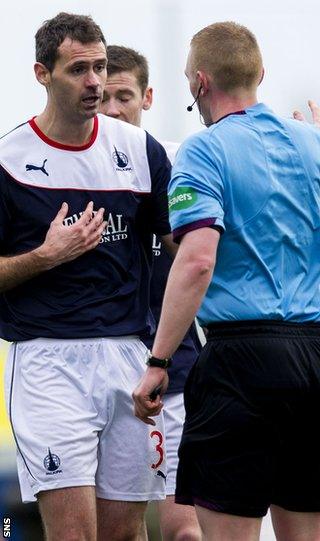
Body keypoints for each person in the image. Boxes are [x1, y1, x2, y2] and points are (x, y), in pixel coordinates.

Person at [133, 21, 320, 541]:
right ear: (260, 73)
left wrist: (159, 361)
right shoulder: (314, 143)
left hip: (242, 361)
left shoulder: (203, 149)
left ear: (198, 83)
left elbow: (196, 261)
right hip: (315, 354)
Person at [0, 12, 175, 541]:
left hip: (128, 356)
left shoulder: (140, 152)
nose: (95, 82)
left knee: (124, 534)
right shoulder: (9, 160)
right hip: (47, 362)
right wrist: (45, 255)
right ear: (41, 74)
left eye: (100, 67)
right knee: (73, 534)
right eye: (79, 69)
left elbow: (187, 247)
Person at [101, 45, 202, 541]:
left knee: (184, 532)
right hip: (108, 373)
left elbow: (205, 255)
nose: (114, 109)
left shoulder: (179, 171)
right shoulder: (67, 178)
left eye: (125, 96)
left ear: (148, 97)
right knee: (118, 530)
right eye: (105, 98)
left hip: (176, 376)